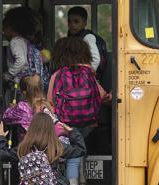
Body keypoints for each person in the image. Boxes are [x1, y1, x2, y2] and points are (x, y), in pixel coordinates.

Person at [47, 37, 111, 185]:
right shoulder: (88, 73)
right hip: (88, 122)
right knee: (80, 148)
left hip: (66, 123)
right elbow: (102, 97)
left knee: (72, 154)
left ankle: (74, 181)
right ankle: (81, 179)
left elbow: (50, 103)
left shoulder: (57, 75)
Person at [0, 112, 87, 185]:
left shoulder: (24, 147)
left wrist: (1, 137)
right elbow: (80, 149)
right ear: (51, 129)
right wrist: (72, 132)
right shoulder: (56, 146)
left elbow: (2, 154)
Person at [2, 7, 49, 105]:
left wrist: (8, 74)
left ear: (10, 27)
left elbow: (21, 61)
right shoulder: (27, 41)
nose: (3, 32)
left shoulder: (15, 42)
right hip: (31, 82)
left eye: (4, 28)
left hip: (20, 83)